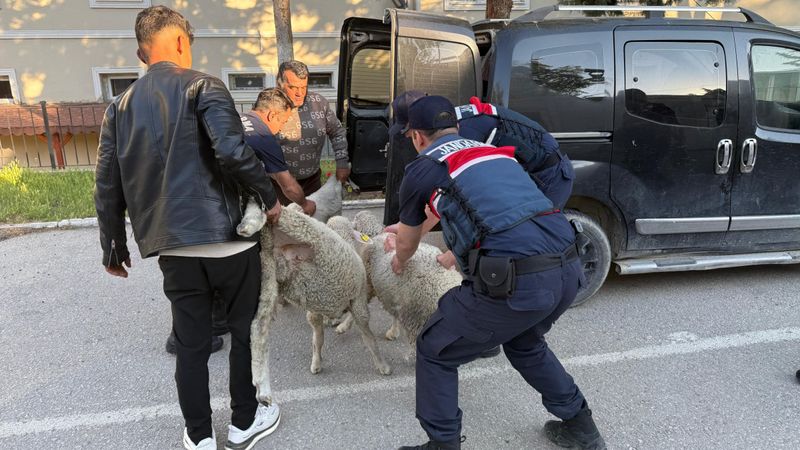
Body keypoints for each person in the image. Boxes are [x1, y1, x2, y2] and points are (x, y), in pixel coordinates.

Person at [95, 6, 282, 450]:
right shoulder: (205, 85)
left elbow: (107, 183)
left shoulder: (119, 107)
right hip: (230, 239)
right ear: (181, 41)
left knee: (191, 343)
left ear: (142, 53)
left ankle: (199, 436)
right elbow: (232, 153)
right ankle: (244, 422)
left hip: (173, 246)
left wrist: (113, 247)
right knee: (242, 331)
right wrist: (270, 199)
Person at [390, 96, 605, 450]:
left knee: (434, 347)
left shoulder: (422, 168)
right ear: (455, 126)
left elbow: (406, 244)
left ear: (416, 136)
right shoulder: (492, 152)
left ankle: (443, 444)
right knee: (525, 343)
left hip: (518, 280)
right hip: (569, 266)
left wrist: (399, 255)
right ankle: (581, 425)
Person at [454, 96, 574, 210]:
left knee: (541, 222)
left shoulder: (466, 131)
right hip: (527, 172)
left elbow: (462, 178)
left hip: (551, 174)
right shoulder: (459, 117)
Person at [275, 60, 349, 204]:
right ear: (280, 84)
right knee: (283, 218)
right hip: (279, 185)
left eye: (304, 87)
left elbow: (337, 132)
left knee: (312, 216)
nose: (299, 93)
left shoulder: (319, 103)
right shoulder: (268, 105)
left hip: (312, 181)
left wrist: (342, 163)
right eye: (293, 87)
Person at [241, 87, 316, 216]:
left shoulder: (238, 117)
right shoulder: (264, 137)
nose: (281, 128)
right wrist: (305, 204)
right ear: (272, 116)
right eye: (283, 122)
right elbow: (289, 187)